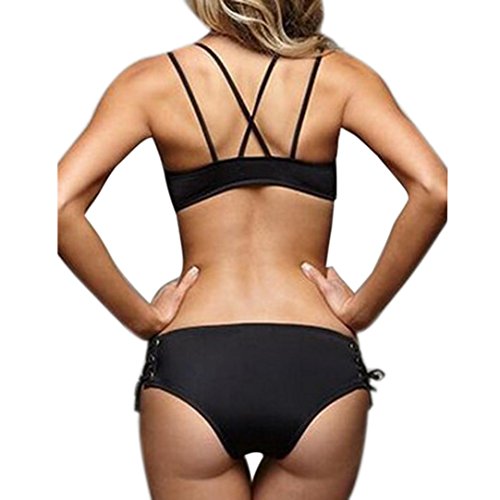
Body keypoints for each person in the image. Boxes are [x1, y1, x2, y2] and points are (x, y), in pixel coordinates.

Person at [57, 1, 448, 498]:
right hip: (316, 362)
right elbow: (433, 189)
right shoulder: (342, 77)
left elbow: (58, 205)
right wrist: (362, 308)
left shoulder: (151, 83)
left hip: (195, 364)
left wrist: (142, 317)